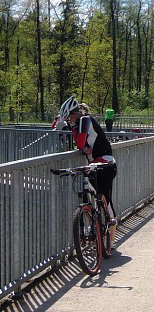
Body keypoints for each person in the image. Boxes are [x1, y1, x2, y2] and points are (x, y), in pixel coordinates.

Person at [57, 96, 119, 248]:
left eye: (70, 117)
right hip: (95, 165)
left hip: (106, 164)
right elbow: (82, 146)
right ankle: (96, 229)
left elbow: (79, 143)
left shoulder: (85, 120)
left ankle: (110, 240)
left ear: (76, 113)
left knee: (104, 196)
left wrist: (72, 130)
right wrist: (81, 144)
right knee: (88, 196)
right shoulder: (79, 123)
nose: (70, 120)